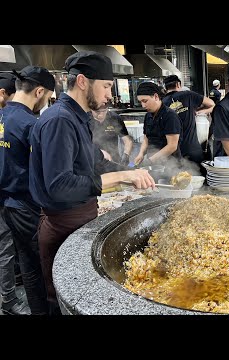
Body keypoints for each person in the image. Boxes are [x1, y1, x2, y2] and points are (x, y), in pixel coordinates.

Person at [29, 51, 155, 313]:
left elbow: (96, 162)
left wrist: (132, 174)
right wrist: (122, 176)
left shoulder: (78, 118)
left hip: (80, 221)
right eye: (107, 86)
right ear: (83, 82)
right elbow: (59, 185)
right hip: (61, 226)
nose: (110, 94)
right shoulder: (60, 120)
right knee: (65, 303)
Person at [0, 66, 56, 315]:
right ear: (39, 91)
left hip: (7, 205)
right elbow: (45, 170)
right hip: (26, 206)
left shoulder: (3, 116)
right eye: (47, 98)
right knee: (46, 266)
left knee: (28, 265)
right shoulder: (29, 123)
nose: (46, 103)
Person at [0, 71, 31, 315]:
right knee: (12, 252)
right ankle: (11, 302)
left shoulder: (3, 116)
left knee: (7, 252)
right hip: (15, 197)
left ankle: (9, 299)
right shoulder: (24, 121)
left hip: (5, 195)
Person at [162, 74, 215, 165]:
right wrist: (202, 112)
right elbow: (212, 104)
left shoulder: (162, 103)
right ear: (178, 85)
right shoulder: (188, 95)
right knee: (198, 178)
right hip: (193, 150)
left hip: (173, 155)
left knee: (176, 178)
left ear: (165, 88)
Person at [134, 81, 183, 166]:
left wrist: (150, 161)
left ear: (156, 97)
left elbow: (172, 146)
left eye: (145, 101)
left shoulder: (170, 116)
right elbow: (146, 138)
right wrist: (141, 154)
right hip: (153, 163)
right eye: (140, 102)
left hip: (171, 165)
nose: (143, 105)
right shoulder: (148, 115)